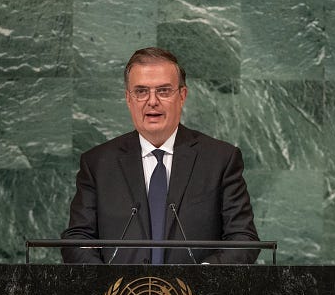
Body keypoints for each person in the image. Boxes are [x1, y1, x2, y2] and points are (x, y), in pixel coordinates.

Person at [61, 47, 259, 264]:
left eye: (163, 91)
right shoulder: (97, 164)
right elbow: (77, 240)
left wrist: (202, 277)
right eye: (141, 91)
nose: (152, 101)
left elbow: (243, 240)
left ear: (182, 96)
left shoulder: (220, 159)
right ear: (129, 98)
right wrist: (108, 282)